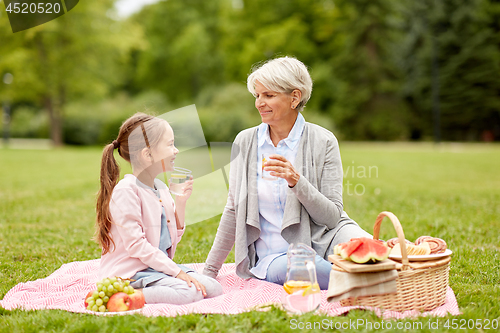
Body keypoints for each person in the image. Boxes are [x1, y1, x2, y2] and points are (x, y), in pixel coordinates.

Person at [202, 57, 371, 289]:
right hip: (277, 256)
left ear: (294, 97)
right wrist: (209, 272)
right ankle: (369, 282)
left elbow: (331, 218)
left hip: (327, 236)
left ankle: (382, 275)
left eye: (268, 95)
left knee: (378, 255)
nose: (259, 103)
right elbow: (233, 209)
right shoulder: (246, 141)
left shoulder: (324, 140)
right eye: (257, 95)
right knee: (303, 267)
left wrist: (296, 181)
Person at [95, 113, 222, 305]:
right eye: (170, 144)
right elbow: (136, 245)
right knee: (190, 293)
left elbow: (172, 238)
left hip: (156, 267)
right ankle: (125, 297)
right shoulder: (126, 191)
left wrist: (180, 202)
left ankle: (160, 286)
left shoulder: (161, 188)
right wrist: (177, 272)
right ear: (148, 154)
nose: (176, 150)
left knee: (213, 288)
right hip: (132, 273)